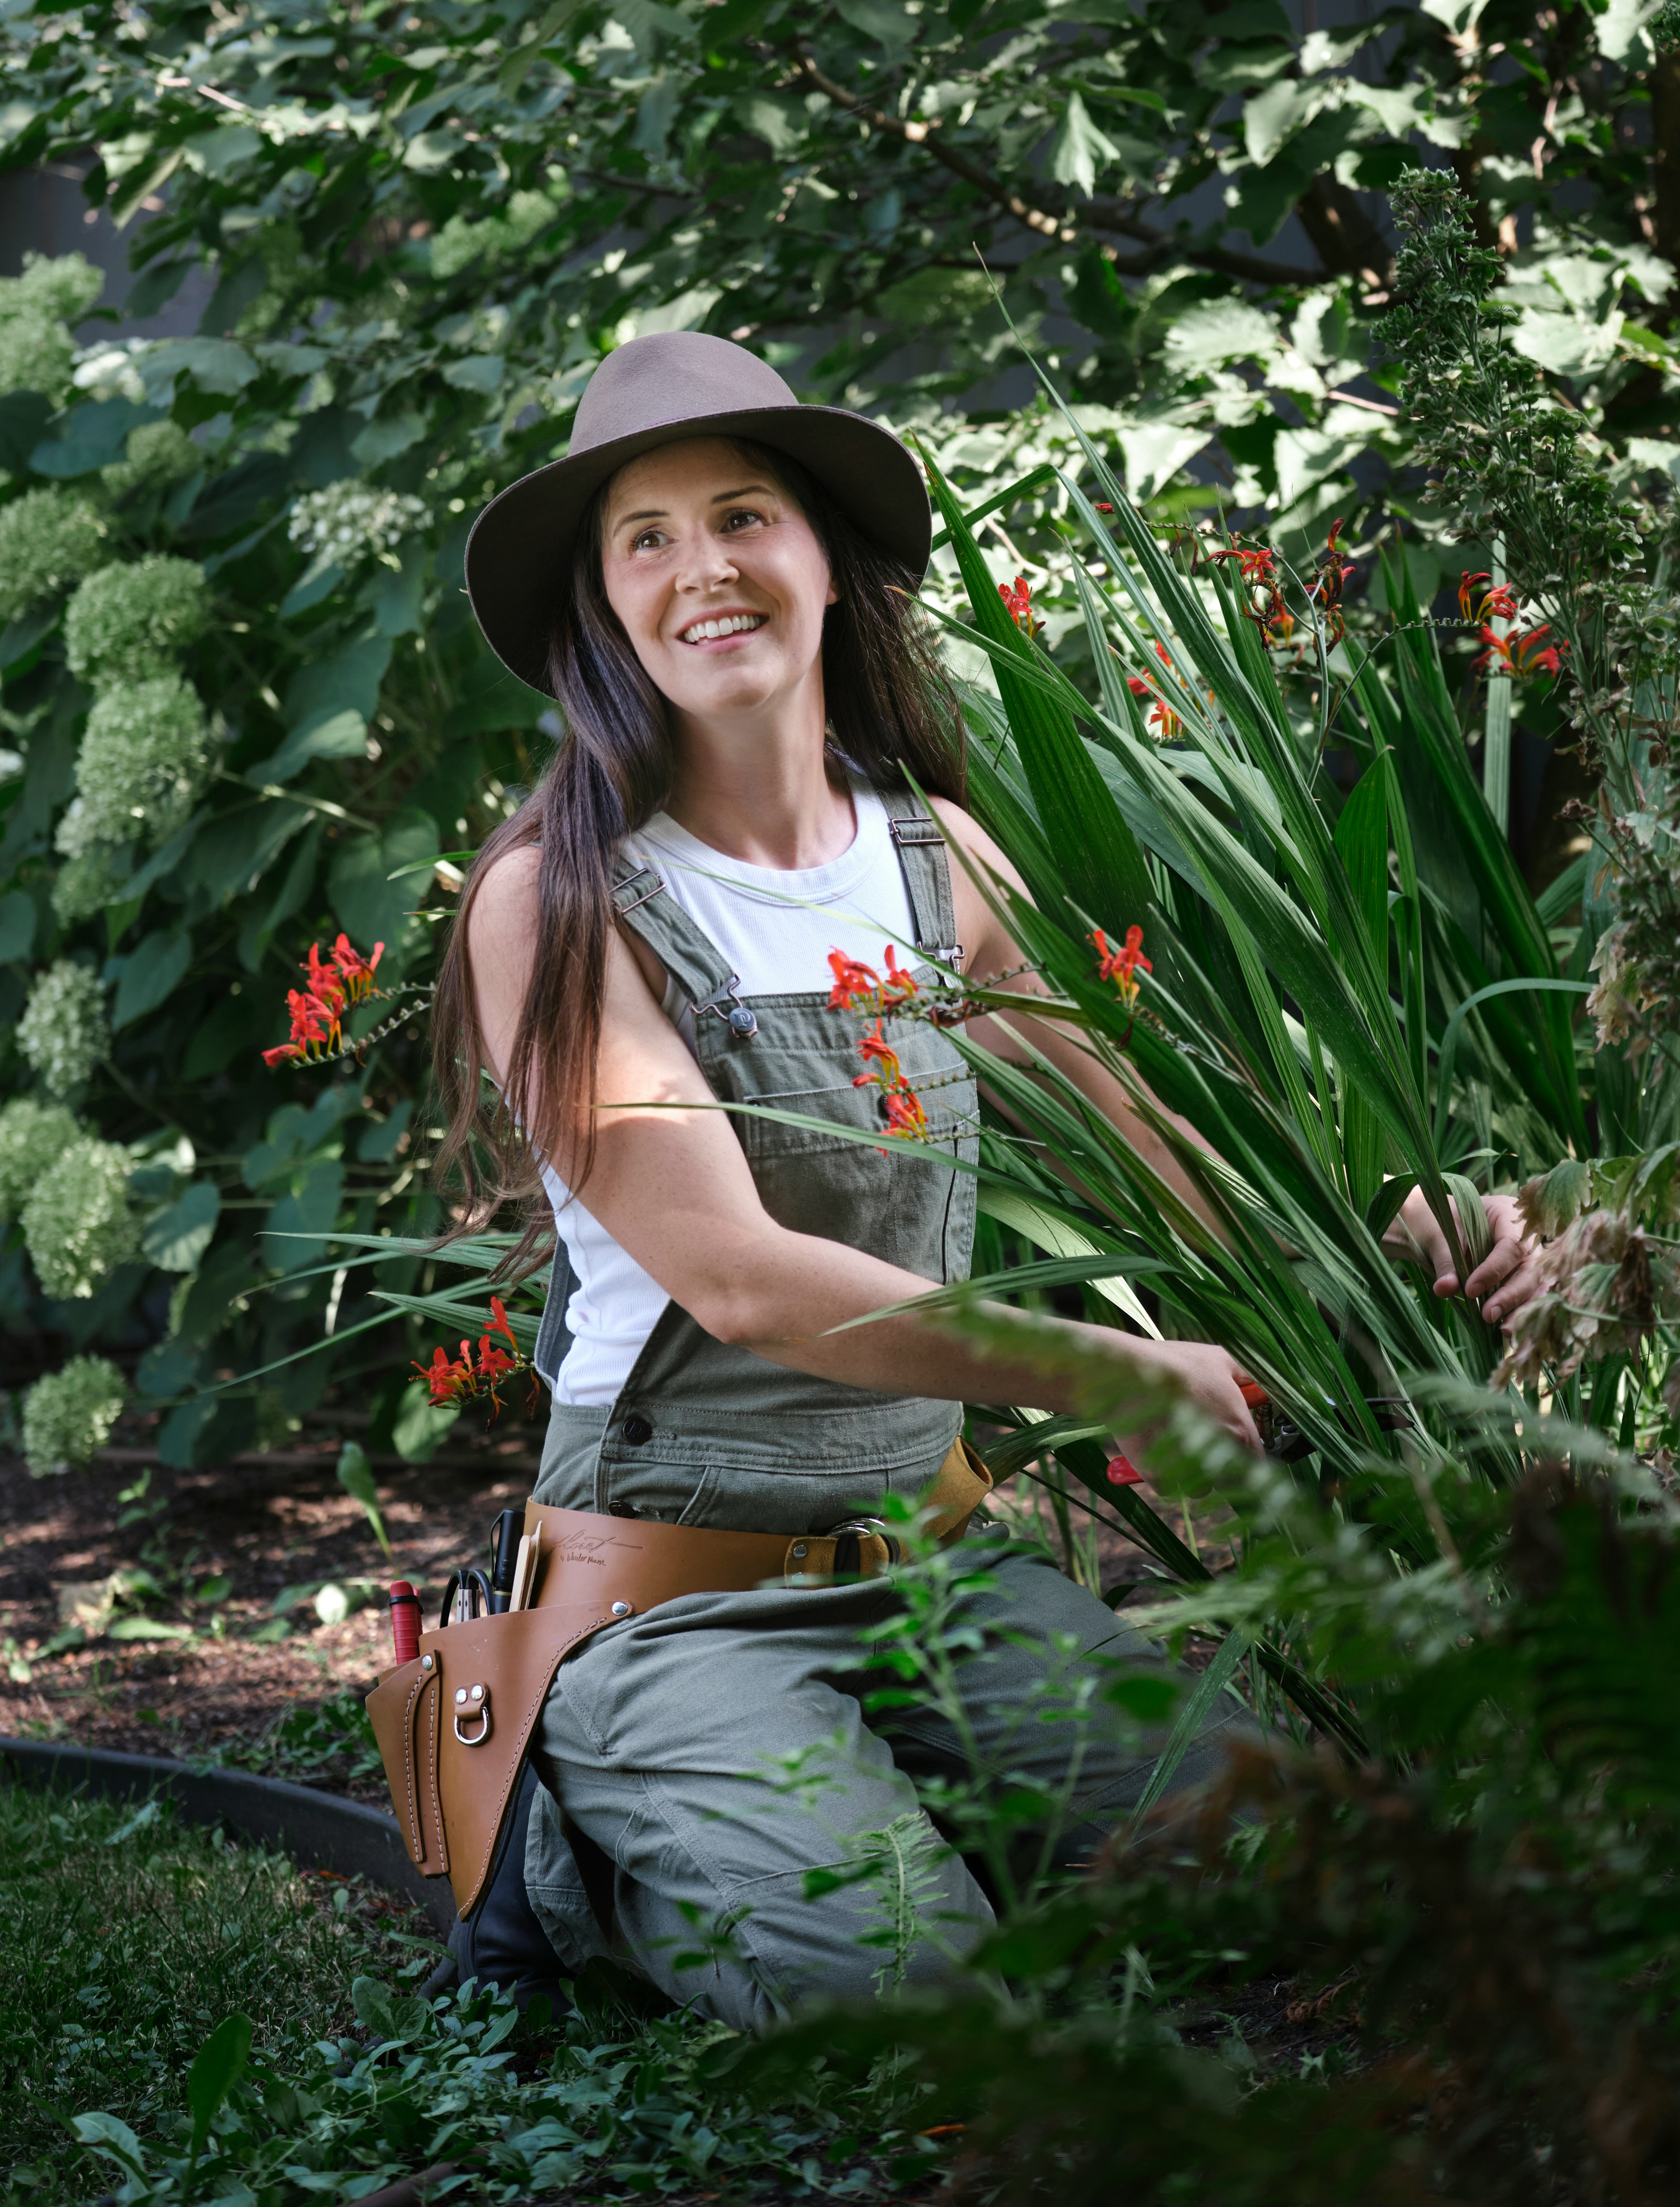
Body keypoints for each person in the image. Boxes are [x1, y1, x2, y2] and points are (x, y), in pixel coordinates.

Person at [432, 332, 1541, 2027]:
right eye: (645, 538)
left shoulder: (937, 864)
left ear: (826, 559)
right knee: (919, 1998)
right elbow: (737, 1276)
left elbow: (1157, 1147)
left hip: (930, 1578)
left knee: (1313, 1875)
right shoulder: (559, 903)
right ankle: (598, 1828)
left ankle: (896, 1810)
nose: (702, 568)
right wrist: (1111, 1373)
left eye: (743, 516)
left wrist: (1408, 1230)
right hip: (671, 1606)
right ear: (604, 606)